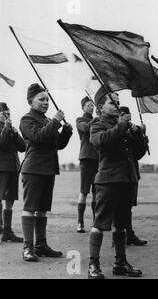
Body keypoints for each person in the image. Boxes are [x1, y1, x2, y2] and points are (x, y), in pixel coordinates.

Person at [87, 89, 147, 279]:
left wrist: (140, 135)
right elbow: (101, 142)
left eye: (118, 103)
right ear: (100, 107)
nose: (117, 106)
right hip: (108, 181)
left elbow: (137, 154)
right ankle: (93, 265)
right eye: (112, 102)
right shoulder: (97, 125)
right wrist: (121, 127)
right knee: (99, 223)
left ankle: (120, 263)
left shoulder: (124, 126)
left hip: (126, 180)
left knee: (121, 224)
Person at [19, 83, 73, 262]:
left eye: (47, 100)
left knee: (42, 210)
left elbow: (58, 145)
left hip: (48, 169)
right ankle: (28, 247)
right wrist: (56, 122)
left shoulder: (47, 120)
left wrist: (66, 132)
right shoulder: (27, 119)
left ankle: (40, 245)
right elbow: (39, 138)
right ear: (31, 101)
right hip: (33, 169)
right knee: (30, 208)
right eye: (41, 99)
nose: (46, 103)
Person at [119, 106, 149, 246]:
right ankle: (120, 235)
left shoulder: (133, 130)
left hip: (131, 172)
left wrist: (141, 134)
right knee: (119, 206)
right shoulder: (117, 129)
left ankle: (129, 234)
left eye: (129, 114)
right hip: (119, 173)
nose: (128, 116)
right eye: (124, 114)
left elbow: (139, 153)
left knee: (128, 206)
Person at [0, 102, 26, 243]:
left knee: (9, 200)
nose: (8, 117)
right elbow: (2, 143)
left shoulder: (11, 128)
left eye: (9, 114)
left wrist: (15, 133)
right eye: (5, 114)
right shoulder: (4, 128)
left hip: (13, 168)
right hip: (1, 169)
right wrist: (7, 128)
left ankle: (7, 231)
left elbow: (23, 147)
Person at [76, 97, 99, 233]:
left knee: (96, 191)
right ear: (83, 107)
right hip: (86, 158)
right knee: (84, 191)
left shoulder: (96, 120)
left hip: (98, 158)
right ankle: (80, 222)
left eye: (93, 106)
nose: (92, 107)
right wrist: (96, 120)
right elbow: (86, 128)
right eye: (89, 105)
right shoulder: (80, 120)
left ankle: (96, 221)